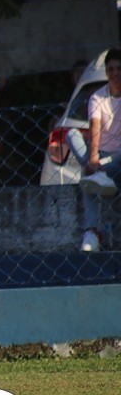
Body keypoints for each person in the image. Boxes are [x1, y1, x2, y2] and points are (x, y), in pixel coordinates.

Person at [66, 48, 121, 252]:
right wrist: (93, 159)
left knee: (88, 174)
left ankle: (99, 175)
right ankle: (92, 233)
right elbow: (94, 127)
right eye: (111, 69)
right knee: (72, 134)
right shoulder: (97, 97)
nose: (115, 73)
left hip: (119, 159)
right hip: (100, 156)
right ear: (106, 72)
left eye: (119, 68)